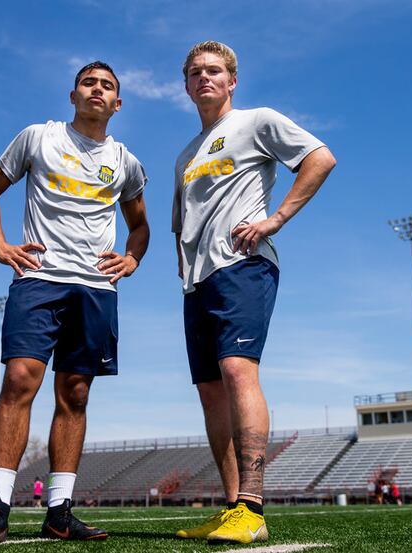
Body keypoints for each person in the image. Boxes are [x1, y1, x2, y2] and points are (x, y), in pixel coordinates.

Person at [0, 60, 149, 547]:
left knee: (76, 394)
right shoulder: (37, 138)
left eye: (107, 86)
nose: (98, 91)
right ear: (73, 95)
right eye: (89, 83)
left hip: (95, 288)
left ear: (117, 103)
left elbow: (140, 225)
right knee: (19, 380)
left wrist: (131, 259)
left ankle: (59, 511)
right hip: (39, 280)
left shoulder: (125, 161)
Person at [172, 41, 336, 545]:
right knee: (209, 391)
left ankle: (253, 505)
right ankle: (231, 509)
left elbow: (320, 158)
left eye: (215, 70)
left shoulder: (257, 121)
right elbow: (180, 221)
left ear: (232, 80)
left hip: (243, 265)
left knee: (238, 370)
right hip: (196, 281)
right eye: (196, 72)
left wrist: (276, 218)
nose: (205, 78)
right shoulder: (185, 154)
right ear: (186, 84)